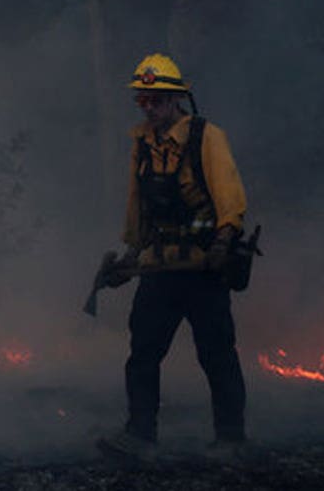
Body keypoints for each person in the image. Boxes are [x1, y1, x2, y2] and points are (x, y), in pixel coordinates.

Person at [96, 52, 249, 462]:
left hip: (203, 271)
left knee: (217, 355)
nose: (149, 108)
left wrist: (223, 241)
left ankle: (231, 440)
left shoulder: (206, 137)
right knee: (143, 353)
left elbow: (230, 199)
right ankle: (139, 435)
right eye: (143, 101)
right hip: (159, 269)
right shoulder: (142, 144)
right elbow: (138, 207)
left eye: (157, 100)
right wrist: (129, 257)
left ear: (176, 99)